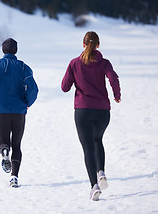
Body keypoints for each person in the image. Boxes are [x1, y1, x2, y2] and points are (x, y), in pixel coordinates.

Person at [61, 31, 121, 201]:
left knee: (88, 147)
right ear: (98, 45)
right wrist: (116, 95)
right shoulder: (104, 63)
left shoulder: (74, 63)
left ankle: (94, 186)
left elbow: (65, 87)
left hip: (83, 111)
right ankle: (101, 172)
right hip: (103, 111)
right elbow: (113, 78)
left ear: (83, 44)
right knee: (97, 140)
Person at [0, 38, 38, 188]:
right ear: (16, 50)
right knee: (17, 145)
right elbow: (33, 89)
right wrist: (27, 103)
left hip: (1, 110)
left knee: (3, 142)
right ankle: (14, 177)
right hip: (19, 111)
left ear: (2, 50)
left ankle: (4, 150)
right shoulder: (24, 67)